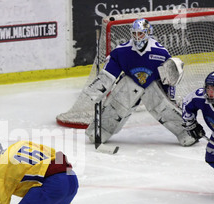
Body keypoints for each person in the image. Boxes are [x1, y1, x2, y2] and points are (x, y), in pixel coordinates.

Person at [84, 18, 196, 147]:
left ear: (148, 33)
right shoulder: (122, 51)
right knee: (118, 104)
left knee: (163, 107)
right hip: (130, 85)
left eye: (140, 33)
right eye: (135, 33)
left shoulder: (160, 52)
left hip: (152, 87)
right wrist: (98, 88)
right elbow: (109, 73)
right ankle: (101, 130)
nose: (137, 37)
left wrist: (170, 98)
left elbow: (168, 79)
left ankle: (186, 132)